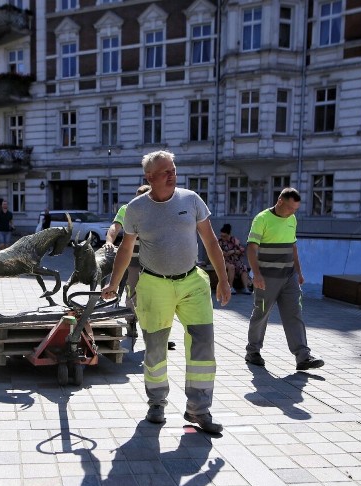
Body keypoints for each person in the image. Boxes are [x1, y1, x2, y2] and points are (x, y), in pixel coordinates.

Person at [102, 151, 231, 434]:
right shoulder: (136, 208)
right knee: (157, 347)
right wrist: (114, 283)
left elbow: (210, 241)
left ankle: (198, 409)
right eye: (165, 172)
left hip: (192, 282)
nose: (172, 175)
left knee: (203, 345)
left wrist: (222, 279)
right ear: (149, 178)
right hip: (153, 284)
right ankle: (157, 403)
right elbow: (125, 248)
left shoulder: (191, 200)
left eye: (173, 169)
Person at [244, 187, 325, 371]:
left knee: (294, 314)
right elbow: (251, 248)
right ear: (280, 201)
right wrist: (256, 274)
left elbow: (293, 247)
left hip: (289, 277)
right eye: (290, 208)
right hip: (267, 278)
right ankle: (253, 351)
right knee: (261, 314)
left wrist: (299, 271)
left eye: (295, 209)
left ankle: (303, 356)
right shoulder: (262, 219)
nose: (292, 212)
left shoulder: (292, 219)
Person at [105, 185, 152, 340]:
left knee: (157, 296)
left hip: (154, 261)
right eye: (137, 197)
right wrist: (109, 241)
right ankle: (131, 323)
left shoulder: (157, 209)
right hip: (133, 260)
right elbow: (115, 227)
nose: (138, 201)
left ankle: (157, 332)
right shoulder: (126, 209)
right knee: (132, 293)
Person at [218, 223, 252, 295]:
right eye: (222, 236)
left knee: (244, 267)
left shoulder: (234, 240)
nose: (223, 237)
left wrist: (233, 251)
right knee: (231, 267)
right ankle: (230, 287)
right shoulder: (220, 241)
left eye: (225, 236)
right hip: (225, 261)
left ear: (228, 234)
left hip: (235, 260)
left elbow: (242, 250)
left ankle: (245, 288)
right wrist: (223, 253)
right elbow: (216, 251)